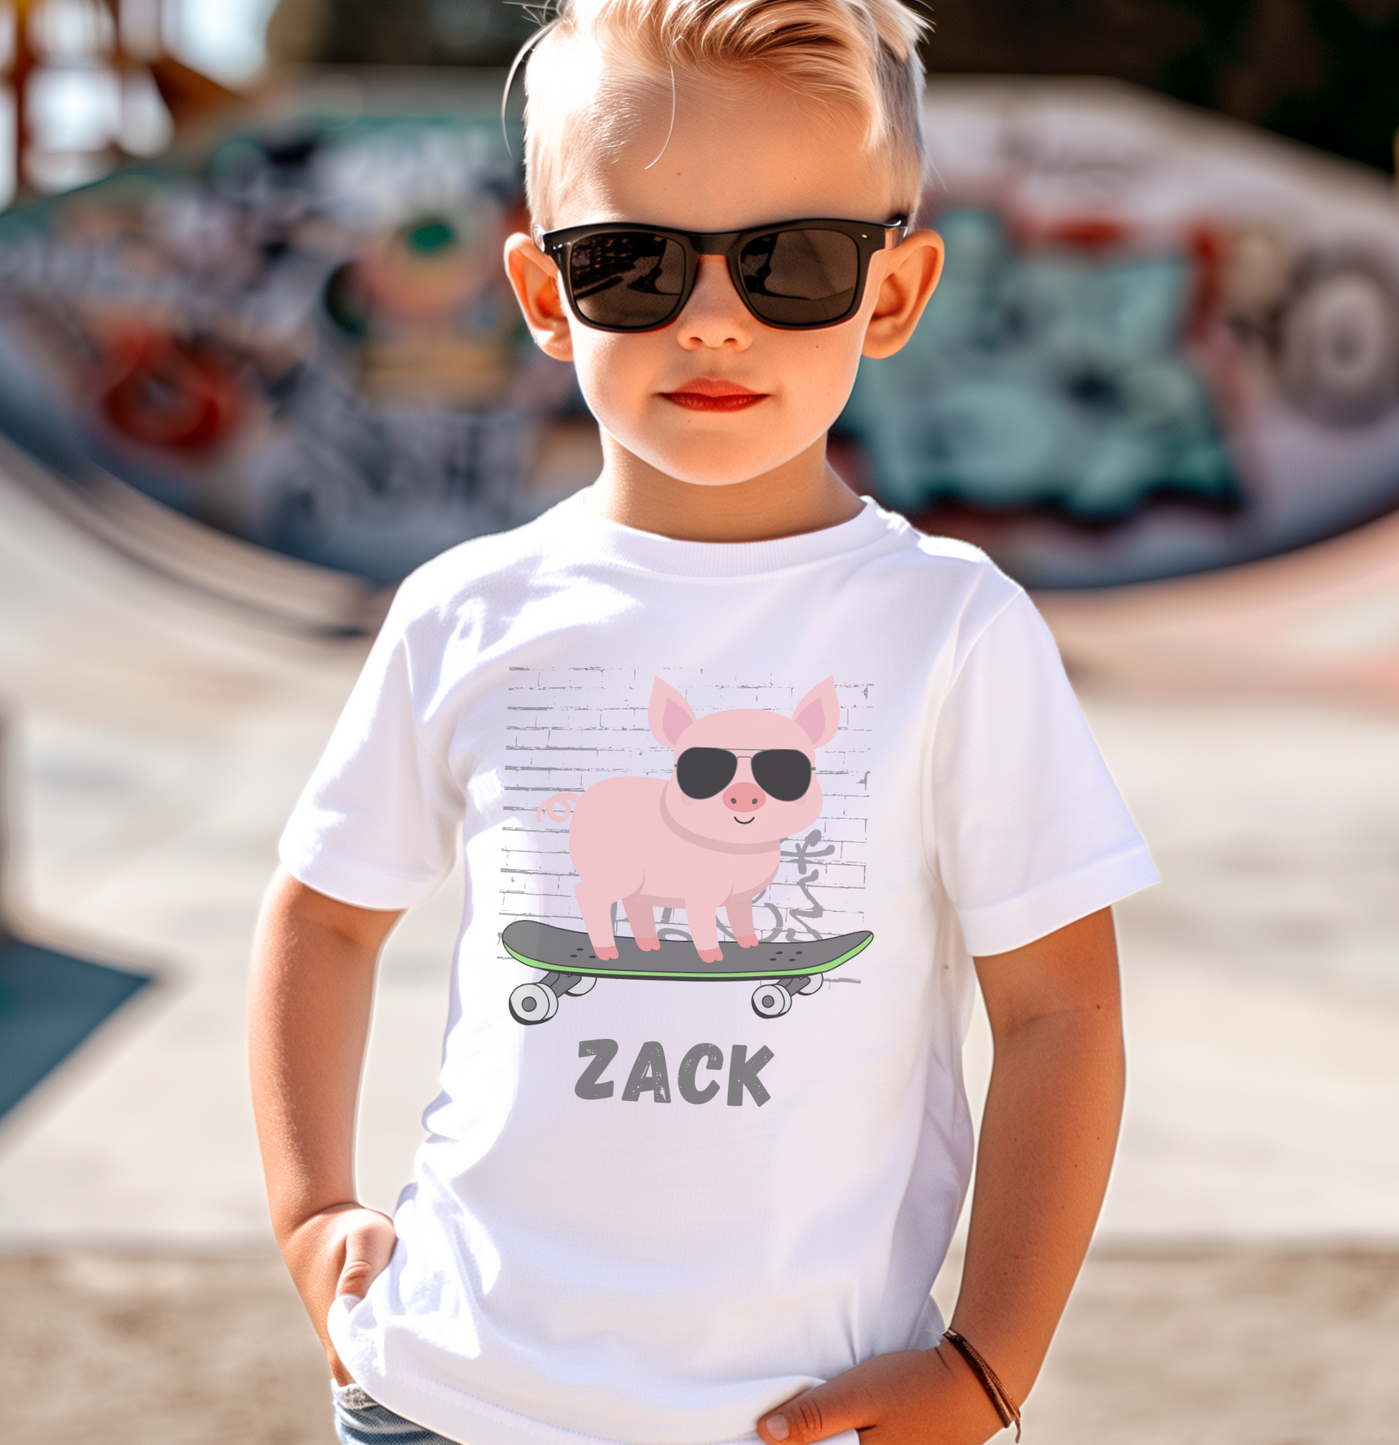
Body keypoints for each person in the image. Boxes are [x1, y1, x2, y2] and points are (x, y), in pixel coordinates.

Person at [249, 1, 1159, 1442]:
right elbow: (324, 917)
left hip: (805, 1412)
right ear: (546, 298)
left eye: (791, 262)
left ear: (896, 292)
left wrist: (990, 1364)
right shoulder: (466, 612)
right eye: (633, 265)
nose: (713, 318)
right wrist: (312, 1215)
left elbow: (1058, 1010)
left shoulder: (952, 628)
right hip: (451, 1395)